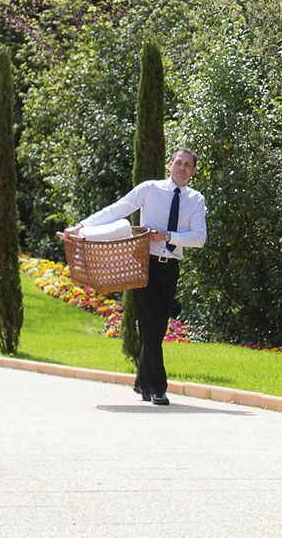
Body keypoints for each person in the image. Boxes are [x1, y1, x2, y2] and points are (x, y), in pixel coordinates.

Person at [72, 148, 208, 405]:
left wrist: (168, 236)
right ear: (170, 164)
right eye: (178, 162)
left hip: (171, 267)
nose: (182, 168)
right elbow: (118, 209)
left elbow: (199, 238)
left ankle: (142, 382)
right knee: (152, 322)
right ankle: (158, 387)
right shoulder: (150, 189)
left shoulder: (196, 200)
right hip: (144, 264)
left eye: (187, 165)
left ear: (193, 171)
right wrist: (82, 226)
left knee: (155, 326)